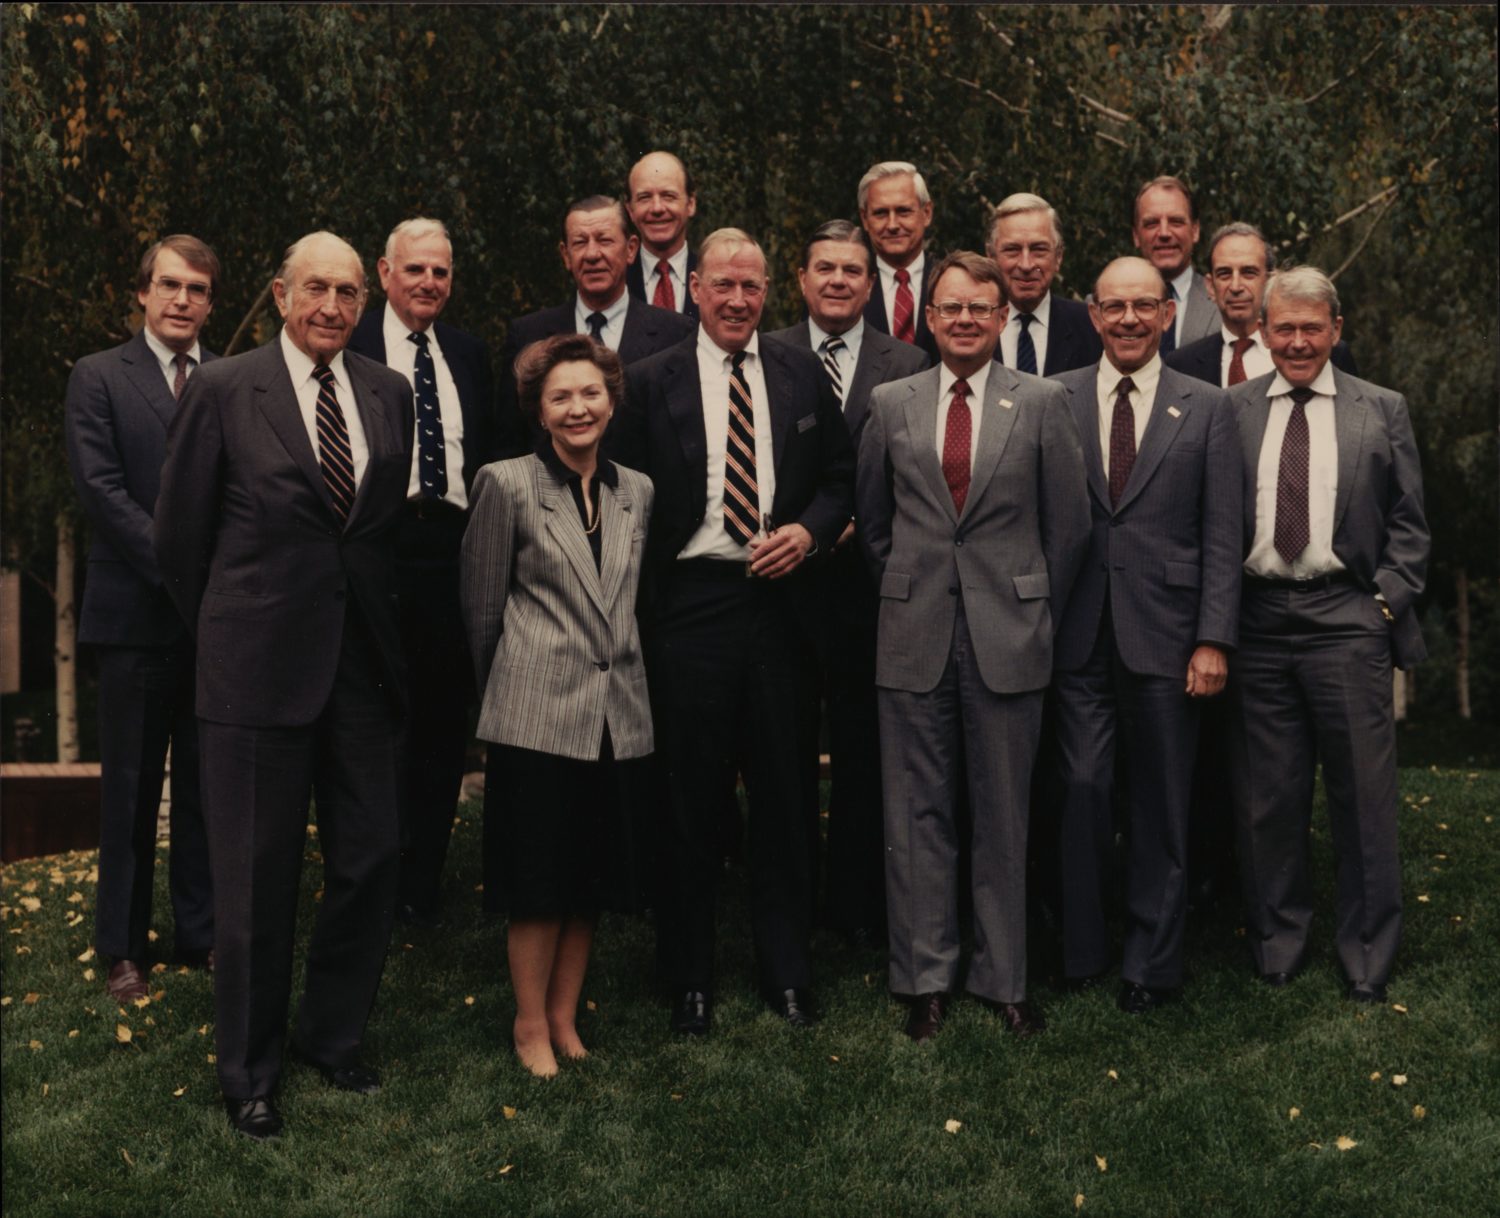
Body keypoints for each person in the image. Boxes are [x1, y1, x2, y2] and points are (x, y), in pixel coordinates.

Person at [155, 231, 415, 1140]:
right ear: (277, 294)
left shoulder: (389, 393)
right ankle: (250, 1073)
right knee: (256, 883)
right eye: (316, 290)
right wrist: (234, 633)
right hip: (255, 674)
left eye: (349, 293)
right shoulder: (226, 391)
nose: (334, 307)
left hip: (360, 671)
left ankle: (330, 1037)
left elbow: (376, 536)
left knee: (371, 855)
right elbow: (178, 543)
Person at [611, 228, 854, 1036]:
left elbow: (841, 479)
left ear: (768, 292)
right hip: (691, 606)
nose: (738, 300)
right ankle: (690, 977)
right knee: (692, 801)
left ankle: (787, 972)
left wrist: (811, 534)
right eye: (723, 286)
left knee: (786, 794)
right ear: (696, 291)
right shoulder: (649, 382)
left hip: (783, 606)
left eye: (751, 287)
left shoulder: (799, 373)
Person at [856, 250, 1089, 1042]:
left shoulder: (1044, 401)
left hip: (1009, 635)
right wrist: (910, 585)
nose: (963, 320)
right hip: (913, 629)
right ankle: (925, 978)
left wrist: (1024, 600)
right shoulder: (891, 403)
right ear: (930, 316)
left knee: (1003, 814)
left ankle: (1004, 979)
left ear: (1000, 319)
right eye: (949, 307)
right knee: (917, 815)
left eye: (978, 309)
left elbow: (1069, 527)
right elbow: (875, 522)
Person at [1226, 266, 1428, 1004]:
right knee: (1267, 798)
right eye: (1285, 328)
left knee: (1362, 797)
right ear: (1264, 332)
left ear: (1337, 331)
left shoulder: (1382, 409)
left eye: (1313, 327)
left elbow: (1410, 525)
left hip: (1346, 618)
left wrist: (1382, 606)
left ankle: (1368, 955)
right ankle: (1278, 944)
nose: (1299, 340)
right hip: (1257, 619)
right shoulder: (1234, 410)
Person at [1049, 257, 1241, 1011]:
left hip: (1169, 636)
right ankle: (1084, 950)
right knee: (1084, 788)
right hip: (1077, 632)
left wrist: (1213, 639)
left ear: (1168, 314)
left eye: (1143, 307)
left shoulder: (1207, 406)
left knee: (1163, 801)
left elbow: (1223, 532)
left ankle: (1151, 965)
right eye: (1113, 307)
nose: (1128, 319)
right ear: (1092, 315)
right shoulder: (1053, 399)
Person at [461, 333, 654, 1077]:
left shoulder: (635, 489)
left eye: (591, 393)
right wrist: (511, 693)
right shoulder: (505, 483)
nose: (579, 408)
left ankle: (568, 1019)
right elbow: (480, 612)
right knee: (538, 885)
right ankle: (530, 1025)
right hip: (535, 715)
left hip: (615, 715)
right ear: (539, 412)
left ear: (612, 399)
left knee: (590, 879)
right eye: (561, 397)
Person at [64, 234, 220, 1002]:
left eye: (196, 288)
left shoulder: (230, 379)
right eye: (169, 285)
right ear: (142, 293)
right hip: (134, 614)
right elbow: (99, 489)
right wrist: (176, 568)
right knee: (129, 789)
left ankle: (200, 932)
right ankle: (121, 947)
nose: (182, 299)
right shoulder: (99, 377)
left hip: (214, 623)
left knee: (202, 784)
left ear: (210, 302)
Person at [765, 219, 929, 947]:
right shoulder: (767, 353)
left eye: (851, 271)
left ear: (873, 285)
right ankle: (789, 900)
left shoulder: (911, 360)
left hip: (874, 583)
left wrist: (866, 521)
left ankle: (858, 907)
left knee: (866, 749)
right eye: (823, 268)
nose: (837, 280)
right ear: (801, 281)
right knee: (787, 748)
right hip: (787, 585)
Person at [348, 217, 496, 925]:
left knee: (441, 723)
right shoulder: (350, 345)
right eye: (416, 270)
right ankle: (370, 878)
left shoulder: (469, 354)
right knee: (375, 723)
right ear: (384, 273)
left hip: (453, 553)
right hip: (376, 549)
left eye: (441, 271)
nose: (429, 283)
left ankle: (420, 889)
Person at [498, 196, 694, 453]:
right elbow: (508, 443)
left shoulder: (677, 333)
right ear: (565, 255)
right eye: (580, 243)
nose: (592, 254)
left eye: (605, 240)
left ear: (631, 249)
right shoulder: (528, 335)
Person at [1166, 222, 1359, 388]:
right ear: (1210, 286)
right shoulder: (1182, 365)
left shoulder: (1328, 353)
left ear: (1269, 281)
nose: (1235, 286)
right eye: (1224, 274)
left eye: (1248, 272)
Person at [986, 192, 1102, 376]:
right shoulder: (972, 324)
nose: (1026, 264)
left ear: (1058, 257)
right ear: (991, 257)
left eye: (1038, 249)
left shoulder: (1091, 327)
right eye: (1012, 250)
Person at [859, 161, 939, 360]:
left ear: (926, 213)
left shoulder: (951, 282)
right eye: (880, 213)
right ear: (865, 219)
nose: (893, 224)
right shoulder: (845, 288)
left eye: (903, 211)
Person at [1131, 176, 1217, 353]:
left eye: (1176, 222)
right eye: (1152, 223)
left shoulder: (1222, 304)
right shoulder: (1103, 306)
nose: (1164, 233)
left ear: (1195, 231)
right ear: (1136, 236)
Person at [625, 150, 699, 317]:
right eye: (644, 197)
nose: (657, 208)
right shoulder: (615, 281)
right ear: (630, 210)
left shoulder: (713, 279)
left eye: (668, 196)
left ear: (691, 204)